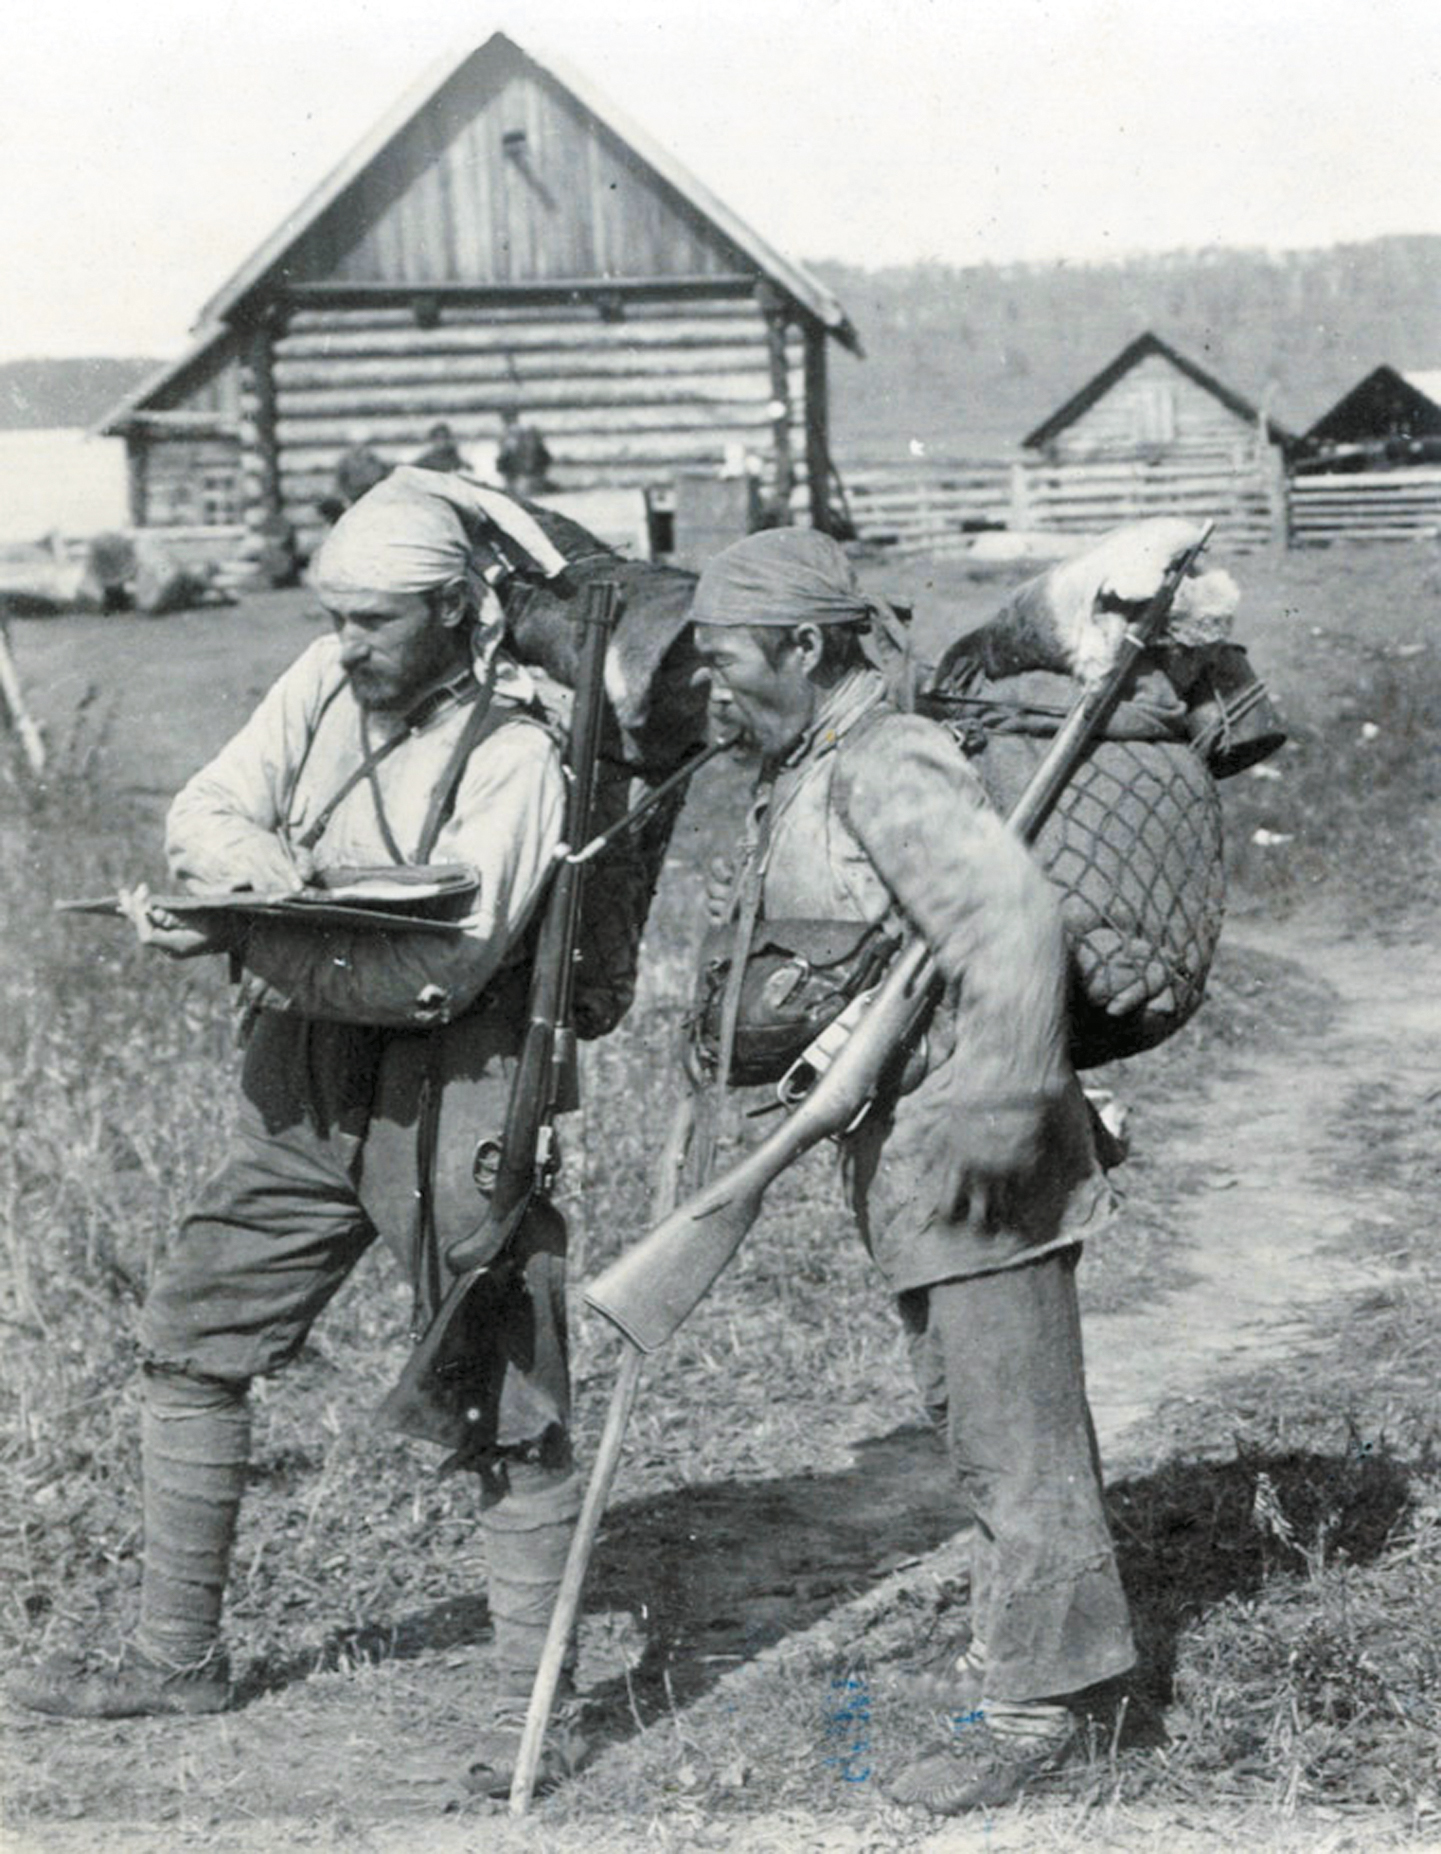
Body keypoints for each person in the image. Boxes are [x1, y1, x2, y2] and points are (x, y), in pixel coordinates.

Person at [10, 467, 593, 1797]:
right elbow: (208, 808)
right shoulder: (323, 685)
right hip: (304, 1065)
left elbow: (440, 968)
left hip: (459, 1073)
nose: (344, 646)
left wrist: (248, 928)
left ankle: (526, 1715)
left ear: (457, 610)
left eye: (374, 623)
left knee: (502, 1367)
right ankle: (176, 1660)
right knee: (194, 1326)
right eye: (334, 617)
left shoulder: (521, 750)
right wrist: (250, 874)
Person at [687, 528, 1136, 1817]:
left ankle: (1046, 1713)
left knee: (1013, 1436)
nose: (710, 688)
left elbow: (1010, 921)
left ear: (806, 648)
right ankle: (1040, 1666)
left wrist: (997, 1110)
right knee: (975, 1421)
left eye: (727, 661)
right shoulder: (813, 763)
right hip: (923, 1149)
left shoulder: (885, 762)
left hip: (974, 1145)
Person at [495, 406, 553, 498]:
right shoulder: (511, 432)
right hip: (516, 463)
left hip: (516, 463)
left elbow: (510, 449)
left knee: (515, 485)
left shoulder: (512, 432)